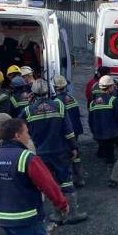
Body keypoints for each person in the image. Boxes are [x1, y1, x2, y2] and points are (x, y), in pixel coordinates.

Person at [22, 79, 87, 224]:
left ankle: (57, 214)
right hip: (60, 151)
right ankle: (73, 214)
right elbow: (68, 131)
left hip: (41, 154)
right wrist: (74, 147)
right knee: (66, 180)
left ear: (33, 93)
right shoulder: (59, 105)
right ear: (49, 91)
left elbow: (19, 128)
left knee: (50, 182)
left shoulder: (28, 110)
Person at [88, 75, 118, 188]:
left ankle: (111, 179)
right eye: (113, 86)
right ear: (110, 87)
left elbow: (90, 122)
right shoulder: (113, 100)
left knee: (109, 157)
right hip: (115, 133)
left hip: (101, 135)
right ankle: (114, 177)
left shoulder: (93, 103)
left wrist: (95, 134)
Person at [53, 75, 85, 186]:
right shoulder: (72, 98)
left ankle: (68, 179)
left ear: (55, 87)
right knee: (75, 152)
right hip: (75, 130)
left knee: (66, 154)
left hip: (65, 132)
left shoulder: (56, 102)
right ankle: (80, 178)